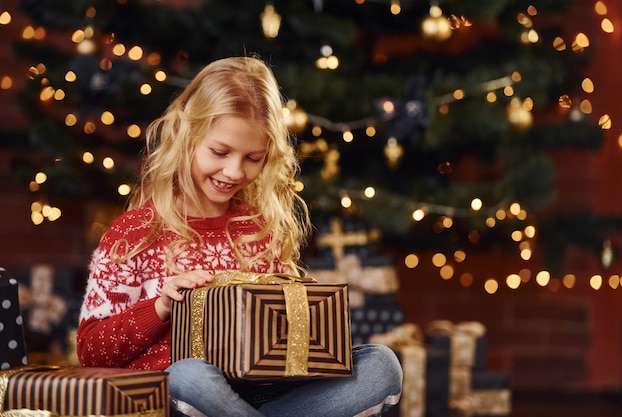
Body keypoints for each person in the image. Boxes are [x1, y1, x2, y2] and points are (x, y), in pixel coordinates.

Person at [77, 56, 402, 417]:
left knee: (380, 366)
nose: (233, 171)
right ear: (187, 135)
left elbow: (283, 350)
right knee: (188, 376)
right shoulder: (134, 233)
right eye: (220, 152)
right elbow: (91, 350)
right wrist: (160, 308)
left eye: (253, 158)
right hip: (191, 398)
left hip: (273, 397)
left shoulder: (262, 227)